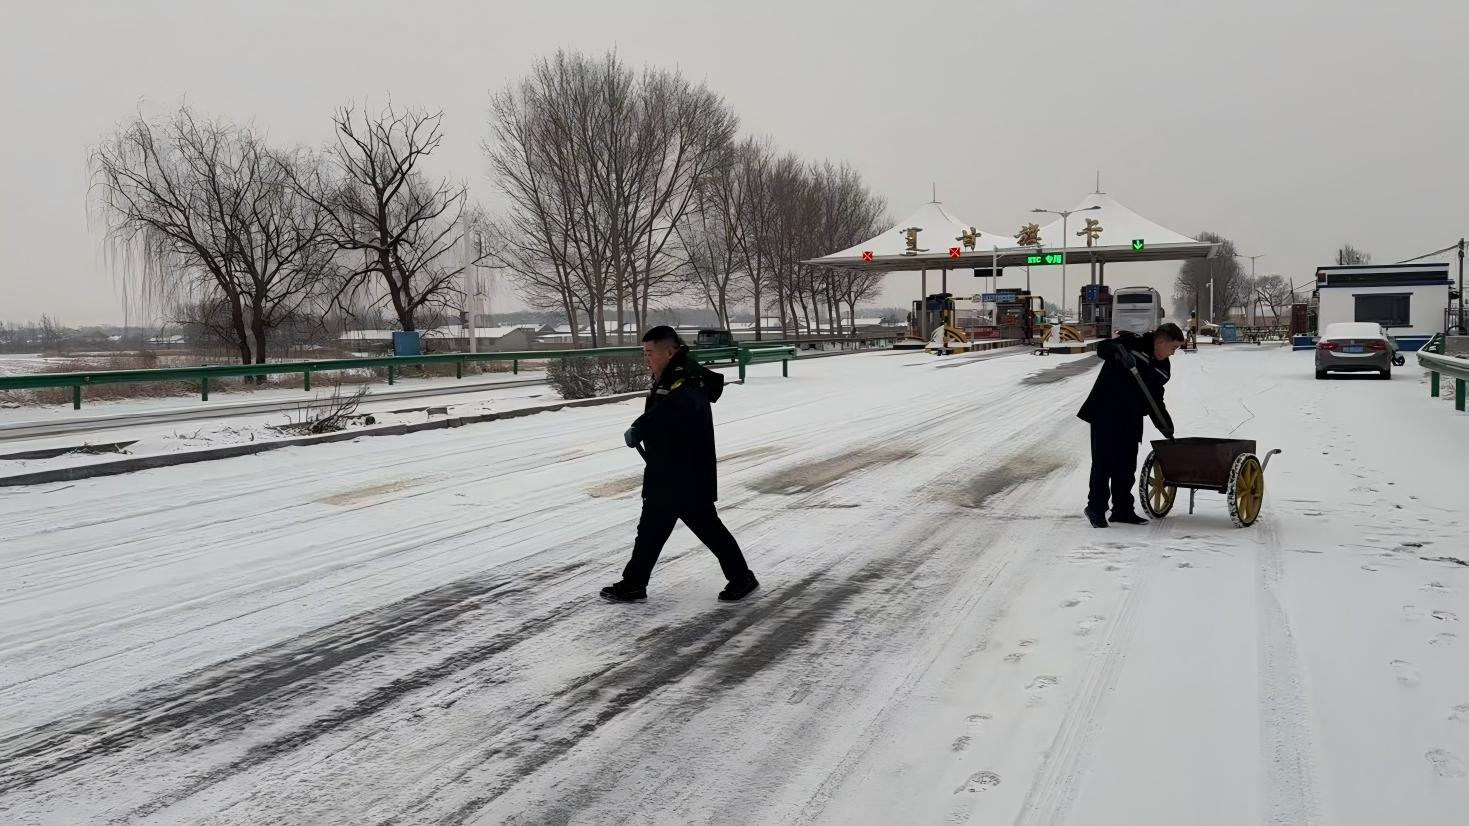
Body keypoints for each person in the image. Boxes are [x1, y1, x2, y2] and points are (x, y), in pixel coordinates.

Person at [601, 326, 759, 603]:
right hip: (669, 469)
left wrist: (640, 427)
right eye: (644, 352)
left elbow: (674, 408)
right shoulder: (671, 374)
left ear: (669, 351)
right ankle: (634, 583)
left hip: (685, 473)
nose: (646, 358)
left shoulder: (686, 379)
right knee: (652, 529)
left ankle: (742, 578)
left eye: (650, 352)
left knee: (706, 527)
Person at [1077, 322, 1186, 528]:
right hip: (1106, 411)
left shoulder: (1162, 367)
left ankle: (1122, 509)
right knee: (1104, 462)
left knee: (1126, 465)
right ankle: (1096, 508)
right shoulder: (1132, 343)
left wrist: (1166, 429)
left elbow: (1155, 400)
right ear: (1161, 341)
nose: (1173, 354)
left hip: (1131, 416)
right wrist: (1118, 354)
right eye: (1173, 348)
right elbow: (1103, 348)